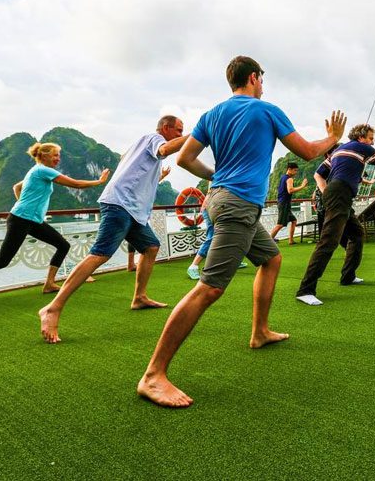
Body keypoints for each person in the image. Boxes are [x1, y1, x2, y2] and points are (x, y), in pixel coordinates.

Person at [136, 55, 346, 408]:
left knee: (272, 259)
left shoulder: (212, 115)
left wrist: (216, 177)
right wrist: (334, 137)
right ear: (253, 77)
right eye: (262, 78)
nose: (263, 84)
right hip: (238, 206)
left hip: (222, 200)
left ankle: (260, 332)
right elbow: (308, 151)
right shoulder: (267, 111)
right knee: (209, 289)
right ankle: (153, 375)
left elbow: (185, 159)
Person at [38, 116, 188, 343]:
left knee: (151, 247)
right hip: (120, 204)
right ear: (165, 128)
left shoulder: (140, 149)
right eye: (178, 131)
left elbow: (138, 176)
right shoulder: (154, 138)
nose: (180, 135)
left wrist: (159, 176)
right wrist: (197, 136)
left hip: (133, 210)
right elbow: (165, 149)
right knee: (100, 254)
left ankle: (139, 297)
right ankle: (52, 307)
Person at [0, 142, 110, 314]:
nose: (58, 158)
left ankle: (49, 284)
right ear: (44, 155)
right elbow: (76, 184)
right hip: (20, 220)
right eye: (55, 155)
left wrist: (23, 203)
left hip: (33, 220)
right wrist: (99, 181)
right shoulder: (42, 170)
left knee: (63, 245)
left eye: (59, 155)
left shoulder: (35, 172)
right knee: (2, 260)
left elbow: (16, 187)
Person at [296, 124, 375, 306]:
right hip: (339, 193)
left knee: (356, 234)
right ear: (361, 137)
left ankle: (348, 276)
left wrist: (325, 192)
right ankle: (305, 289)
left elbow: (319, 174)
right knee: (328, 241)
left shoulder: (339, 150)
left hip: (339, 194)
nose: (372, 141)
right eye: (371, 138)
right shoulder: (364, 148)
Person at [186, 190, 248, 280]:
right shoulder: (222, 180)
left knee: (230, 234)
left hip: (222, 208)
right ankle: (193, 266)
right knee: (212, 236)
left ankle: (232, 261)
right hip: (211, 207)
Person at [127, 166, 171, 271]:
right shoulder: (131, 175)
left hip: (137, 213)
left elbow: (149, 184)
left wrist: (162, 176)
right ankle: (84, 271)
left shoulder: (137, 176)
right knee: (104, 247)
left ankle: (131, 264)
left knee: (148, 244)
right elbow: (148, 185)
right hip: (131, 212)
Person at [270, 162, 308, 244]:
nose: (296, 172)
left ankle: (291, 240)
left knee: (294, 220)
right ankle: (269, 241)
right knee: (280, 224)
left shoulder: (283, 177)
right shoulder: (289, 179)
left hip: (283, 202)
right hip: (284, 204)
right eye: (295, 170)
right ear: (289, 169)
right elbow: (290, 190)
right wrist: (302, 186)